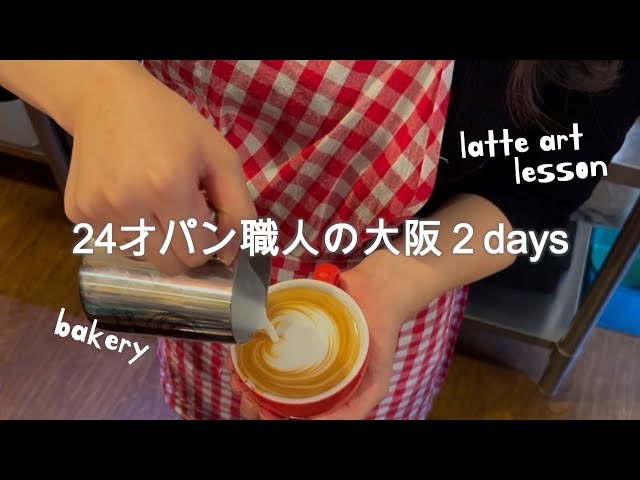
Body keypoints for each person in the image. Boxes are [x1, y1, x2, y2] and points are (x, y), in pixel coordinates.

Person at [1, 60, 639, 420]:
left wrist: (398, 281)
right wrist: (94, 89)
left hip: (392, 279)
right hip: (199, 256)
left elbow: (541, 186)